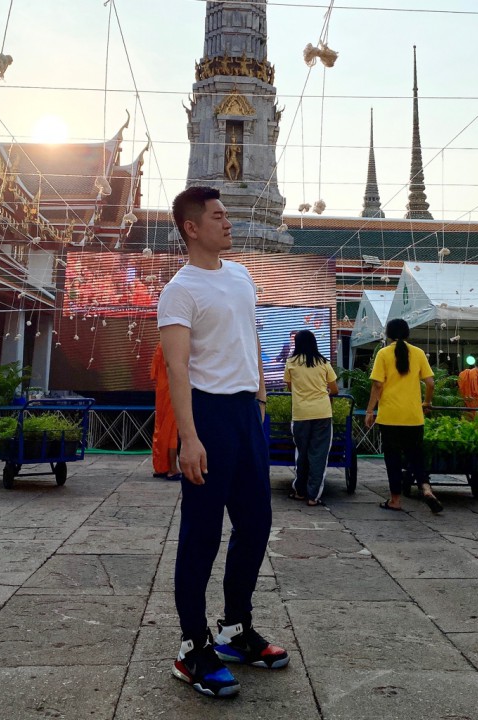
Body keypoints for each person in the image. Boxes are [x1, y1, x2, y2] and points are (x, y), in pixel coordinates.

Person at [157, 186, 289, 699]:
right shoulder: (179, 290)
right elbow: (177, 368)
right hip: (207, 415)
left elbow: (250, 335)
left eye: (226, 214)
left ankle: (236, 629)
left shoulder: (240, 275)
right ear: (192, 228)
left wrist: (260, 397)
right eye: (217, 216)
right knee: (203, 534)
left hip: (245, 414)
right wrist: (188, 438)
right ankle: (193, 647)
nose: (228, 222)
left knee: (256, 525)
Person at [364, 318, 443, 514]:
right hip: (413, 417)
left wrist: (370, 411)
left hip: (389, 417)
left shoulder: (383, 354)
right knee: (415, 456)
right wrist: (427, 402)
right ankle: (426, 488)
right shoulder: (418, 353)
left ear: (388, 335)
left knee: (393, 459)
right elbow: (430, 383)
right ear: (407, 333)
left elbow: (378, 385)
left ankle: (395, 500)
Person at [284, 330, 339, 506]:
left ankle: (300, 491)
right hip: (322, 413)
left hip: (300, 414)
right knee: (318, 455)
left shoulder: (291, 363)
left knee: (302, 454)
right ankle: (313, 496)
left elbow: (290, 387)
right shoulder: (324, 362)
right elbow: (335, 389)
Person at [149, 343, 180, 480]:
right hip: (172, 391)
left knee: (161, 431)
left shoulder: (160, 346)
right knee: (171, 432)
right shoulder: (175, 346)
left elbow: (153, 374)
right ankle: (172, 468)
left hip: (162, 393)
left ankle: (161, 466)